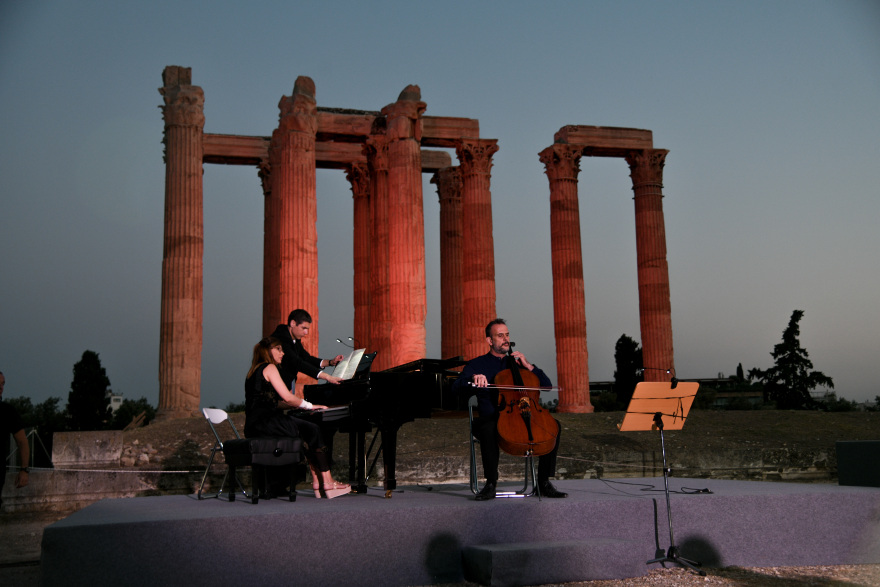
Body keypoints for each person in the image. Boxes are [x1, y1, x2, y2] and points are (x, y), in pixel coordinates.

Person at [453, 319, 567, 500]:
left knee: (554, 426)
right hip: (490, 417)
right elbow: (457, 387)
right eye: (500, 336)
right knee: (489, 429)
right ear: (490, 341)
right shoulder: (477, 364)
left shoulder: (518, 364)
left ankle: (543, 482)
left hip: (521, 415)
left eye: (507, 335)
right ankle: (491, 483)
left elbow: (545, 386)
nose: (506, 339)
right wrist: (474, 378)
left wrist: (529, 365)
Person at [245, 338, 350, 499]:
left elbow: (273, 403)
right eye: (278, 349)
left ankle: (317, 481)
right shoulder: (270, 367)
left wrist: (297, 406)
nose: (283, 353)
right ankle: (328, 482)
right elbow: (287, 397)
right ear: (268, 351)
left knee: (305, 435)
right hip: (268, 422)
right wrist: (309, 406)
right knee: (314, 430)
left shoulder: (253, 372)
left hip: (254, 424)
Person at [269, 309, 345, 390]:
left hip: (284, 386)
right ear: (293, 323)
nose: (306, 332)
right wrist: (327, 377)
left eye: (307, 329)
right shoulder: (281, 338)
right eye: (303, 328)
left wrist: (330, 362)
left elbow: (306, 358)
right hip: (271, 389)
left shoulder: (292, 337)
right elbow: (296, 362)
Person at [0, 371, 30, 508]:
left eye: (3, 384)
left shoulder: (7, 411)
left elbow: (22, 441)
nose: (1, 387)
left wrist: (24, 469)